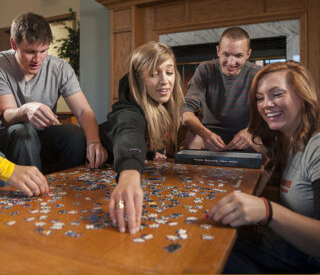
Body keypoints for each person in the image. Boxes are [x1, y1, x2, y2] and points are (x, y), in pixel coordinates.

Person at [207, 61, 320, 273]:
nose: (266, 104)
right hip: (287, 245)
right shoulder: (290, 141)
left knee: (213, 252)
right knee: (217, 238)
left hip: (309, 261)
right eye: (260, 98)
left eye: (277, 94)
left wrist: (267, 211)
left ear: (303, 96)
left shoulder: (317, 146)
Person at [0, 12, 107, 173]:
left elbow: (84, 111)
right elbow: (6, 116)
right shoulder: (2, 65)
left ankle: (69, 189)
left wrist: (94, 142)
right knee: (24, 132)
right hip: (11, 134)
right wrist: (26, 110)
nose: (37, 59)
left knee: (75, 134)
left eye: (43, 51)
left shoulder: (60, 68)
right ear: (14, 44)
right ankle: (32, 193)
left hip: (43, 133)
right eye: (30, 52)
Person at [100, 41, 184, 235]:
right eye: (154, 74)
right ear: (139, 80)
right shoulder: (128, 111)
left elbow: (142, 136)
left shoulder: (161, 106)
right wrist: (129, 173)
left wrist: (150, 151)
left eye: (169, 72)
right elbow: (129, 132)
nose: (164, 81)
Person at [181, 27, 262, 152]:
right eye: (226, 54)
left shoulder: (257, 75)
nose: (231, 62)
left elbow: (268, 113)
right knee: (192, 139)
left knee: (264, 146)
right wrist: (205, 134)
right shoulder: (205, 69)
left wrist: (251, 131)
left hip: (245, 132)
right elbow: (186, 111)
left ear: (248, 54)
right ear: (218, 51)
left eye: (238, 56)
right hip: (210, 132)